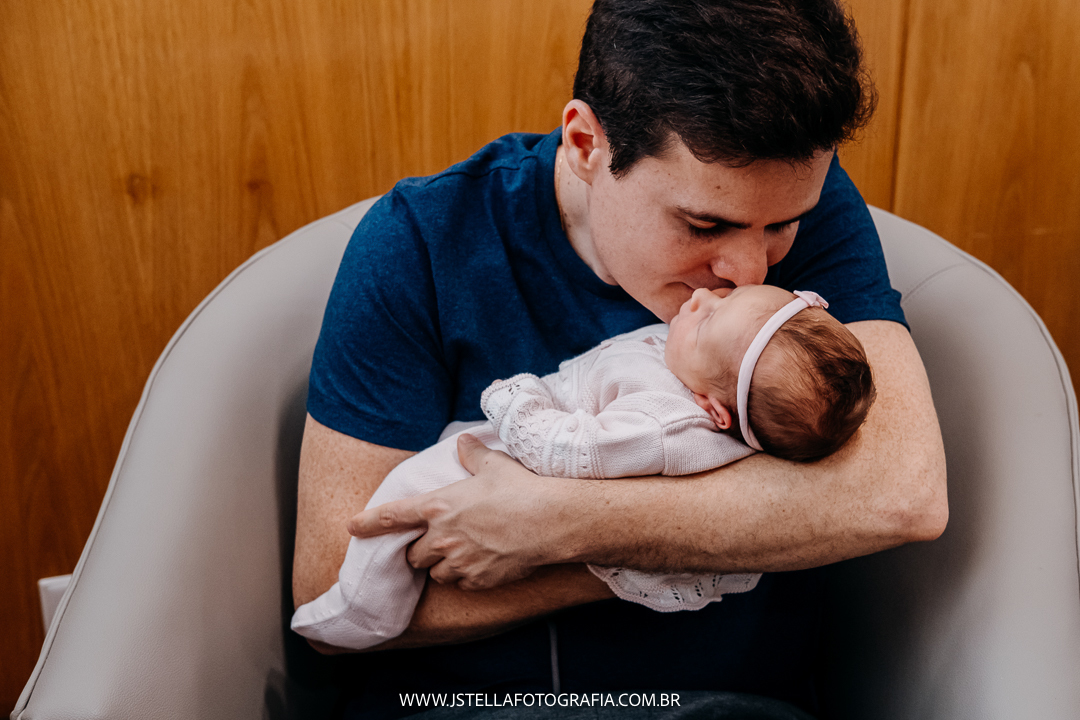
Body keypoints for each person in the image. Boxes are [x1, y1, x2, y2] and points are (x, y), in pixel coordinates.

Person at [293, 1, 947, 717]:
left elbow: (901, 492)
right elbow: (331, 591)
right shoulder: (422, 242)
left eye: (783, 226)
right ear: (584, 143)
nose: (752, 270)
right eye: (704, 225)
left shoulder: (793, 201)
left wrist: (562, 524)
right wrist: (731, 537)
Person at [291, 285, 876, 650]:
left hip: (524, 449)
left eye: (709, 319)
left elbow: (571, 452)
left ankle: (364, 608)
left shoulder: (665, 426)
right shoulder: (705, 378)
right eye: (728, 295)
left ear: (713, 410)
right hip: (513, 448)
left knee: (401, 497)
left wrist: (516, 400)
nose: (702, 297)